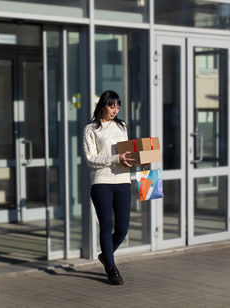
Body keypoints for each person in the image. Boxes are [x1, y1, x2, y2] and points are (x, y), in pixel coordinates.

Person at [82, 90, 135, 285]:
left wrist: (134, 160)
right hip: (101, 183)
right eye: (112, 106)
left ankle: (106, 255)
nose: (116, 110)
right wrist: (115, 158)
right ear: (103, 105)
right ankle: (111, 268)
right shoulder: (90, 129)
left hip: (122, 180)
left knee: (122, 228)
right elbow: (90, 159)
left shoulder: (122, 126)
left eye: (118, 106)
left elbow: (126, 153)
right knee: (106, 225)